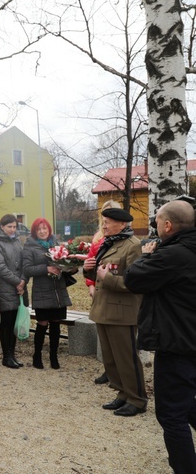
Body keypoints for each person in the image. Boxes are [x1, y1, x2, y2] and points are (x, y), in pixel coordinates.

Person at [125, 200, 196, 472]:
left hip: (178, 344)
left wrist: (147, 254)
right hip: (190, 339)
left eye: (156, 221)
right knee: (186, 402)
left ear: (167, 226)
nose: (154, 226)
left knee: (171, 415)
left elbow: (134, 278)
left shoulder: (173, 255)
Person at [83, 207, 146, 417]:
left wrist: (106, 277)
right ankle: (122, 393)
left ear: (122, 224)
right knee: (110, 359)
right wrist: (88, 269)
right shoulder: (108, 243)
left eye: (108, 222)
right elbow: (101, 272)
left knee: (126, 358)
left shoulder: (133, 246)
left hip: (122, 312)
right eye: (103, 222)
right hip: (103, 309)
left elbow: (135, 282)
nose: (104, 225)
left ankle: (137, 399)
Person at [22, 218, 73, 370]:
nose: (43, 232)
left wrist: (71, 267)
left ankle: (53, 356)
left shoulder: (56, 244)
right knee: (42, 324)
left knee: (56, 323)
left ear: (49, 230)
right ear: (35, 232)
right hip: (42, 290)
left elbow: (65, 264)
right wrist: (46, 269)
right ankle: (37, 355)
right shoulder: (30, 247)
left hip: (58, 290)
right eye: (39, 229)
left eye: (45, 229)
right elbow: (27, 269)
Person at [87, 200, 122, 385]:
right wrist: (90, 285)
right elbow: (91, 263)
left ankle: (119, 374)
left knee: (116, 338)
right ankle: (109, 370)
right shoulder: (98, 238)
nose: (106, 220)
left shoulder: (122, 239)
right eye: (104, 215)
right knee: (104, 335)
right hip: (99, 291)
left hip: (114, 291)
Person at [0, 214, 27, 369]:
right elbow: (0, 267)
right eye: (9, 227)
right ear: (2, 226)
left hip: (19, 286)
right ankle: (6, 356)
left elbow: (24, 262)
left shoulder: (17, 240)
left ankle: (12, 353)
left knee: (14, 322)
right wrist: (18, 282)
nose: (12, 229)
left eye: (14, 227)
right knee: (6, 322)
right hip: (5, 287)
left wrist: (23, 280)